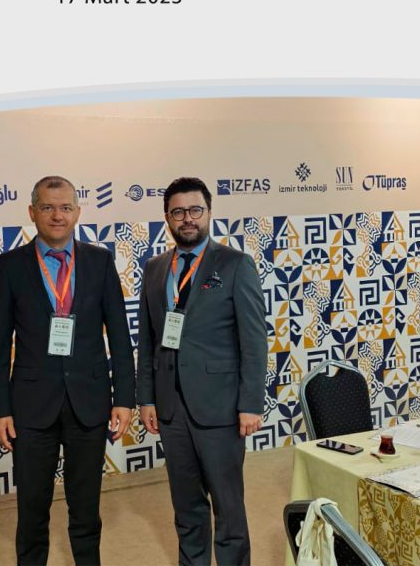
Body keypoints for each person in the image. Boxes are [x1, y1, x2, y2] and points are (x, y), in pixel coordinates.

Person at [0, 175, 135, 566]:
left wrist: (124, 399)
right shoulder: (10, 266)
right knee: (32, 513)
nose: (57, 216)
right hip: (30, 407)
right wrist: (0, 408)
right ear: (32, 212)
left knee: (86, 511)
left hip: (90, 402)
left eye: (66, 207)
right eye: (48, 207)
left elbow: (120, 336)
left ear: (78, 212)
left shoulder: (100, 261)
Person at [137, 176, 268, 566]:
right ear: (167, 218)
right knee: (186, 508)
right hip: (171, 409)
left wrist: (250, 404)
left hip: (221, 408)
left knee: (228, 510)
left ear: (209, 213)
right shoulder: (155, 268)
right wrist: (146, 398)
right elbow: (148, 339)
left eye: (195, 210)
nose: (187, 219)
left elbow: (254, 340)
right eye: (178, 212)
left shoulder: (235, 264)